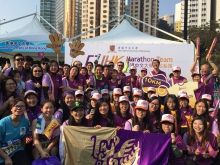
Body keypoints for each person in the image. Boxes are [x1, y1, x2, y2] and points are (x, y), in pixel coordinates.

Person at [0, 98, 31, 165]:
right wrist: (7, 158)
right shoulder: (2, 123)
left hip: (17, 149)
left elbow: (23, 138)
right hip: (2, 152)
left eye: (22, 106)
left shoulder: (25, 122)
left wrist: (22, 151)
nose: (19, 108)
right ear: (11, 108)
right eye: (16, 106)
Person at [23, 90, 41, 160]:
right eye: (29, 98)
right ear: (25, 100)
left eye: (34, 98)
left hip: (40, 137)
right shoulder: (22, 111)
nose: (32, 100)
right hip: (27, 139)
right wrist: (24, 137)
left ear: (37, 99)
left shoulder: (42, 109)